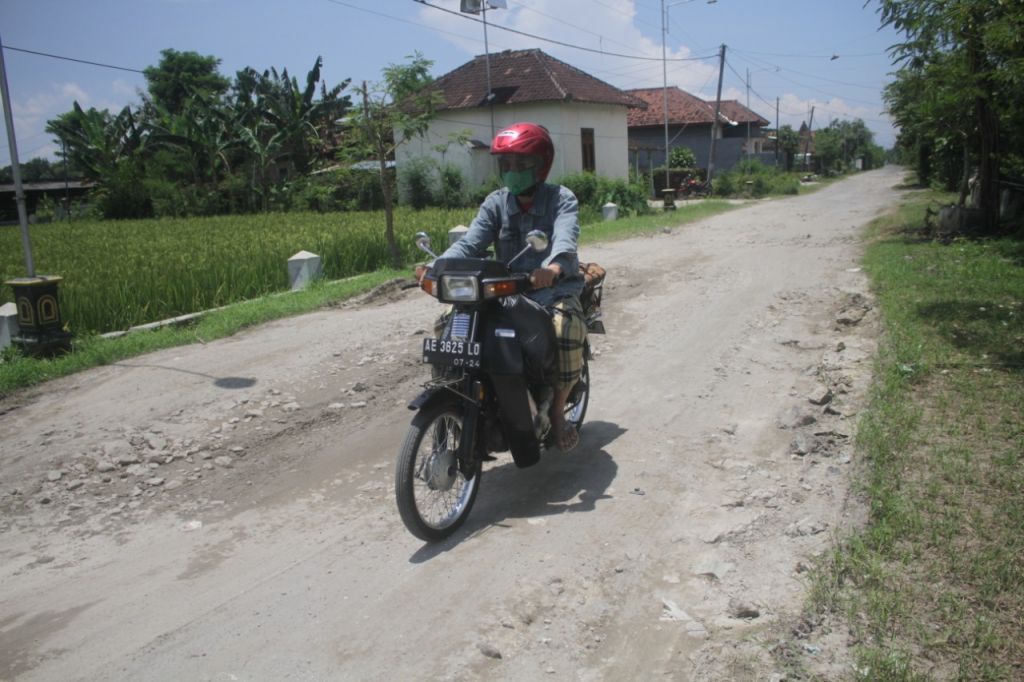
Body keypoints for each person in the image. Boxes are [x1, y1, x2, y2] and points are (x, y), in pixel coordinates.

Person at [423, 122, 587, 451]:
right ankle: (462, 397)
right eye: (506, 163)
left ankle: (557, 413)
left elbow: (565, 239)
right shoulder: (496, 203)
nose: (512, 171)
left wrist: (553, 267)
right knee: (447, 328)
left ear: (541, 164)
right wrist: (435, 267)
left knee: (565, 329)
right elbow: (470, 244)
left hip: (550, 290)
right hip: (504, 291)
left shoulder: (561, 199)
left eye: (521, 163)